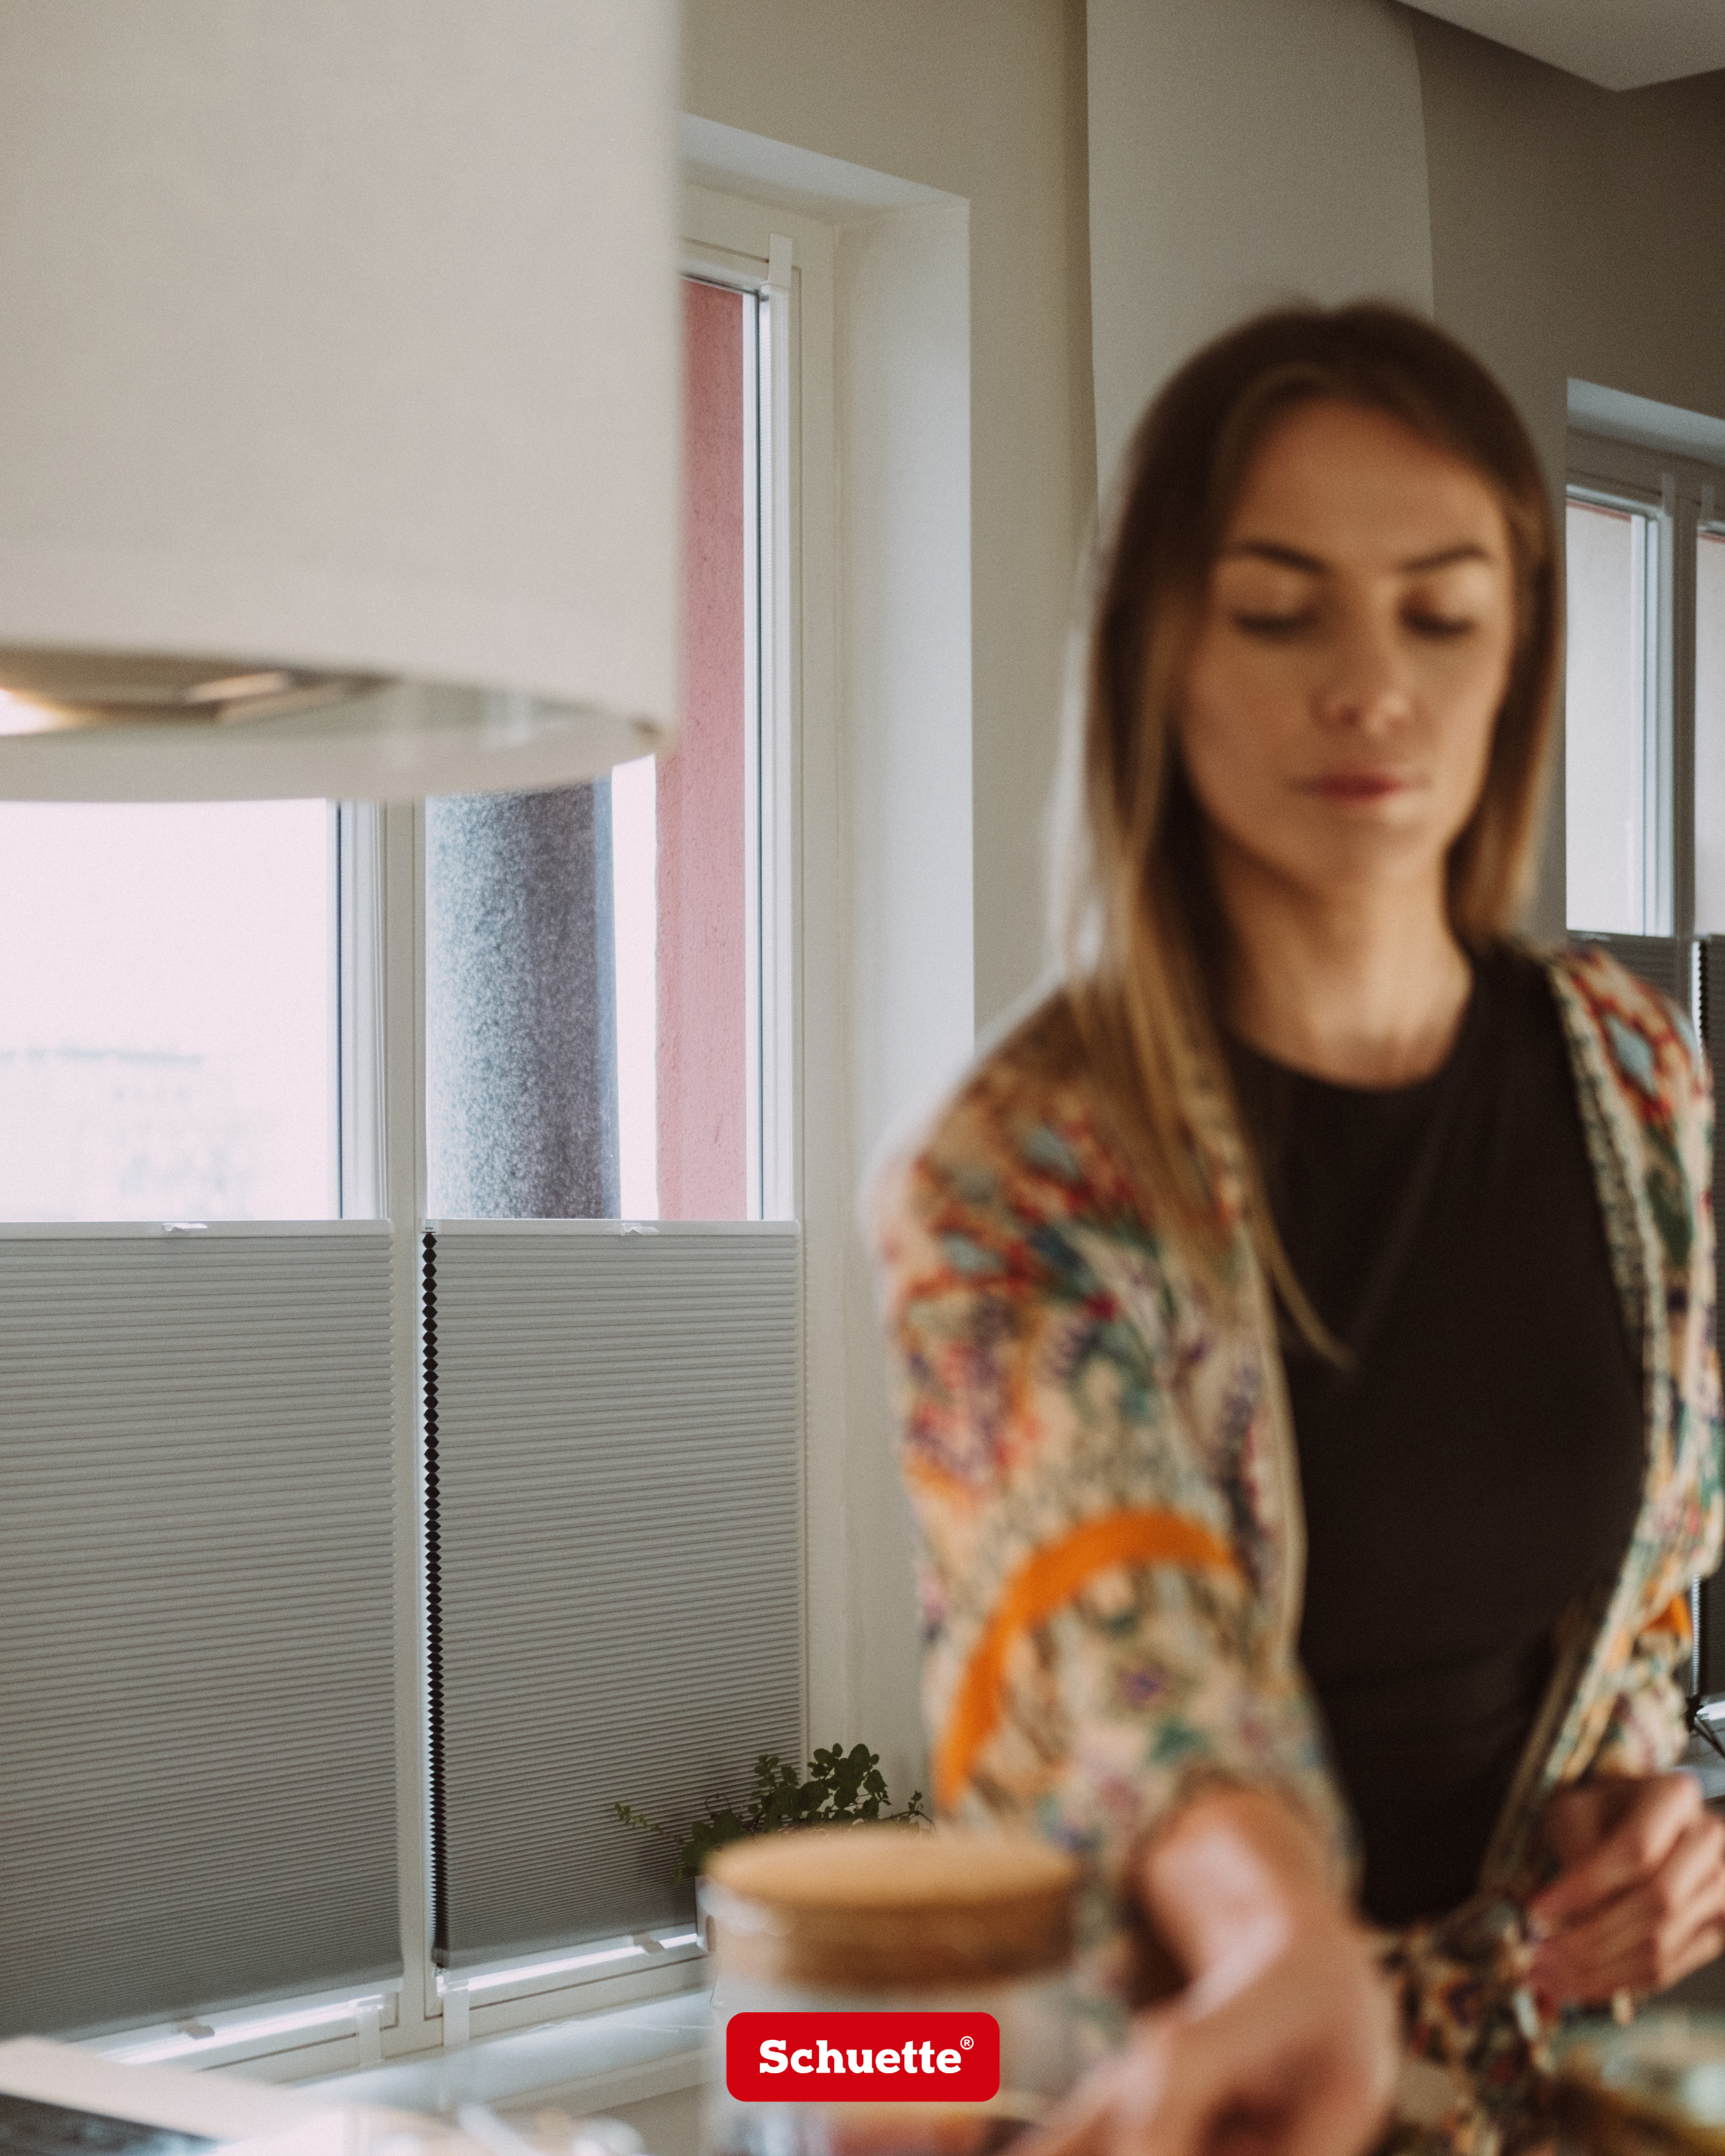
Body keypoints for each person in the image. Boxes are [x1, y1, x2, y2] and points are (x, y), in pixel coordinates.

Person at [868, 304, 1725, 2156]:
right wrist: (1276, 1935)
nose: (1372, 685)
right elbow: (1117, 1615)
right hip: (1140, 2081)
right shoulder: (1018, 1163)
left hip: (1520, 2092)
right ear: (1159, 655)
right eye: (1281, 610)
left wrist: (1639, 1808)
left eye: (1443, 610)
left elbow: (1637, 1603)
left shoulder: (1633, 1074)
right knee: (812, 2085)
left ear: (1520, 654)